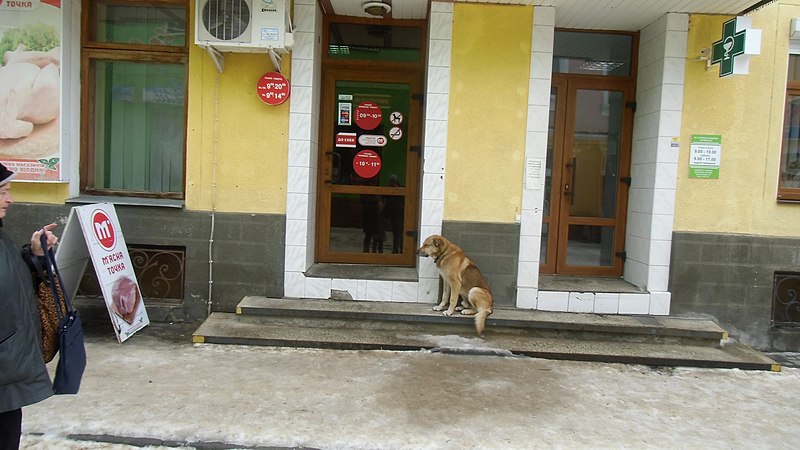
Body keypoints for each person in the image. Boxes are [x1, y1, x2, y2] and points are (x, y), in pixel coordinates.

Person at [0, 163, 58, 449]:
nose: (9, 199)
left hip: (7, 380)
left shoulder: (0, 239)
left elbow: (12, 282)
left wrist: (36, 255)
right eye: (2, 191)